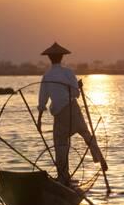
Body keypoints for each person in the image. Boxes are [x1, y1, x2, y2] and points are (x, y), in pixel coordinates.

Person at [37, 42, 108, 185]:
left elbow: (42, 100)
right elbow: (75, 93)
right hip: (72, 109)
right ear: (62, 57)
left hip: (58, 114)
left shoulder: (47, 76)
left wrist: (39, 120)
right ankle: (100, 159)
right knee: (86, 134)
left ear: (49, 58)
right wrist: (78, 87)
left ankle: (63, 177)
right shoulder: (68, 73)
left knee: (60, 145)